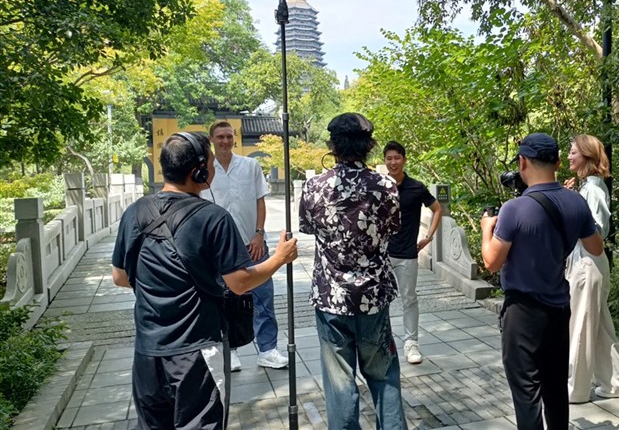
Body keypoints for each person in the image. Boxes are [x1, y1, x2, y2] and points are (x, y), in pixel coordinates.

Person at [111, 132, 298, 429]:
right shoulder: (213, 217)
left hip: (147, 352)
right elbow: (239, 282)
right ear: (199, 169)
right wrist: (278, 258)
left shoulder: (135, 212)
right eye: (209, 161)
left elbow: (120, 276)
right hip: (196, 351)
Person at [481, 133, 603, 430]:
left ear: (522, 162)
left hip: (522, 313)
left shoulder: (514, 209)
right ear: (558, 162)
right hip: (559, 308)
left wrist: (486, 229)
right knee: (555, 389)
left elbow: (491, 262)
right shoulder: (575, 202)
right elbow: (596, 247)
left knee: (527, 393)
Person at [298, 113, 407, 429]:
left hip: (331, 297)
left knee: (339, 384)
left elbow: (308, 227)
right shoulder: (385, 185)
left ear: (332, 146)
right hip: (373, 296)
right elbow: (393, 228)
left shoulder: (315, 186)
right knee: (384, 376)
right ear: (369, 146)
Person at [201, 121, 287, 372]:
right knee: (223, 299)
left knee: (263, 296)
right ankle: (231, 350)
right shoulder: (205, 170)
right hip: (218, 246)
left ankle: (268, 349)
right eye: (220, 137)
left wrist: (259, 234)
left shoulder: (250, 165)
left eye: (229, 136)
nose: (225, 141)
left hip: (252, 243)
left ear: (235, 138)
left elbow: (261, 201)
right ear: (212, 140)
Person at [564, 134, 619, 402]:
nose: (570, 156)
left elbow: (597, 230)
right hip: (587, 262)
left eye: (573, 152)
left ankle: (576, 390)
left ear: (587, 155)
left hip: (587, 263)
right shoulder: (589, 187)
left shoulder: (593, 188)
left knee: (581, 326)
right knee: (599, 329)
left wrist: (570, 205)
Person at [383, 140, 443, 364]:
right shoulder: (379, 186)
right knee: (381, 301)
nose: (393, 162)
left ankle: (411, 344)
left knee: (408, 299)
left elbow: (437, 209)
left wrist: (428, 237)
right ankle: (384, 343)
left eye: (397, 157)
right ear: (384, 161)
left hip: (407, 253)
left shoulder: (416, 187)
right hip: (381, 255)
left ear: (404, 160)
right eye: (389, 158)